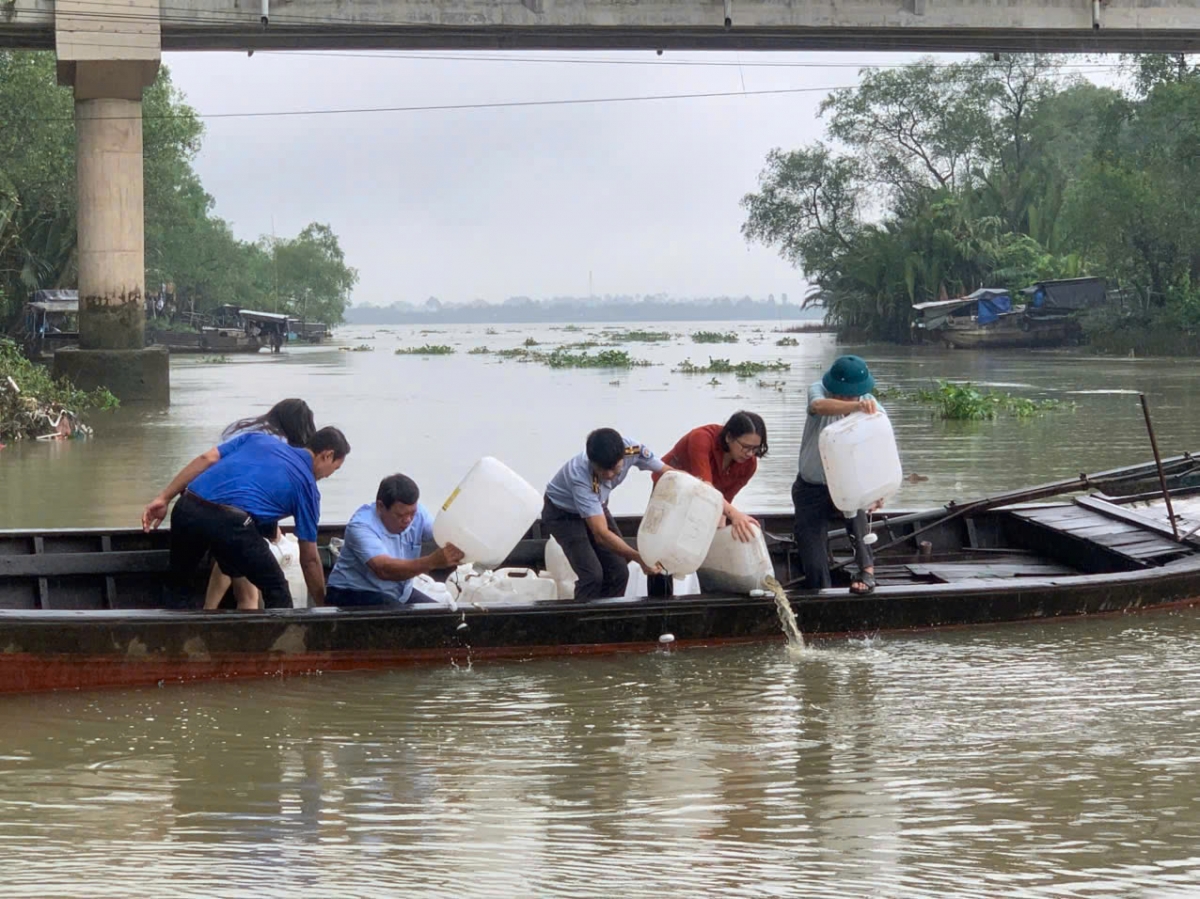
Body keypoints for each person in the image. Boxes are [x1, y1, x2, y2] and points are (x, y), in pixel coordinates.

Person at [141, 426, 351, 609]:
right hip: (229, 524)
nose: (329, 475)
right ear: (327, 455)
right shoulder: (308, 488)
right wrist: (323, 606)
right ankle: (279, 650)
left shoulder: (259, 438)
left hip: (187, 506)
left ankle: (173, 647)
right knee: (276, 588)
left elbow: (207, 458)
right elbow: (310, 559)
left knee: (178, 585)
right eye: (335, 468)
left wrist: (164, 498)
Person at [204, 399, 318, 609]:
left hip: (206, 505)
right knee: (249, 596)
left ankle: (206, 613)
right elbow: (263, 491)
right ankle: (251, 637)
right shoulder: (280, 446)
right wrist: (273, 531)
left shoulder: (245, 430)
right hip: (236, 517)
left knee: (226, 559)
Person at [542, 428, 672, 601]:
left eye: (615, 468)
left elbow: (668, 472)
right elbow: (601, 534)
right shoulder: (580, 477)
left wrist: (697, 487)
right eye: (603, 470)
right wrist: (639, 558)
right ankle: (579, 623)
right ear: (591, 461)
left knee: (619, 572)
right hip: (563, 515)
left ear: (622, 458)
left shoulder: (632, 449)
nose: (610, 475)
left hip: (597, 505)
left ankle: (607, 623)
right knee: (592, 575)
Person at [793, 355, 882, 595]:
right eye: (839, 394)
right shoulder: (818, 391)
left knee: (858, 513)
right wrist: (856, 407)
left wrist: (879, 489)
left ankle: (867, 571)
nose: (843, 398)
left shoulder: (871, 405)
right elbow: (818, 407)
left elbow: (879, 448)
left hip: (847, 485)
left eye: (850, 395)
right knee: (813, 559)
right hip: (811, 487)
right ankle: (821, 589)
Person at [325, 474, 466, 607]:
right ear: (380, 507)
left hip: (400, 592)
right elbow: (383, 570)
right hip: (353, 592)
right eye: (400, 515)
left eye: (412, 513)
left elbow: (442, 535)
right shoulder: (361, 526)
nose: (408, 520)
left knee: (442, 617)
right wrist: (432, 562)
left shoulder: (418, 513)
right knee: (403, 621)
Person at [654, 411, 768, 542]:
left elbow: (726, 499)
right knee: (667, 536)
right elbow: (705, 488)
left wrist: (721, 524)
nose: (749, 454)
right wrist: (735, 515)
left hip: (710, 496)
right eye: (746, 447)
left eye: (755, 449)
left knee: (715, 531)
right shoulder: (701, 438)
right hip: (670, 489)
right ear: (729, 437)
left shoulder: (749, 464)